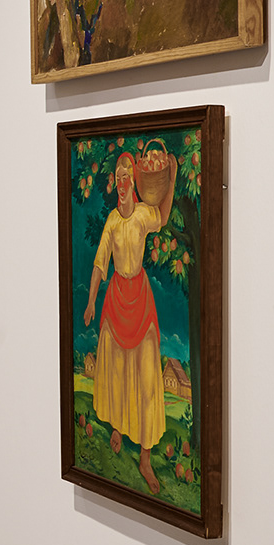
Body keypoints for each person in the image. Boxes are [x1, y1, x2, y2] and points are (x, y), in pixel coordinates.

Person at [82, 149, 175, 495]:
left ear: (134, 182)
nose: (122, 183)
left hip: (141, 300)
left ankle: (145, 459)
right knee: (117, 374)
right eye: (118, 178)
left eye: (127, 177)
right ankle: (118, 427)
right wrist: (91, 301)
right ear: (114, 183)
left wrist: (172, 179)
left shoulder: (142, 215)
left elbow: (163, 216)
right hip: (115, 300)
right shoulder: (111, 221)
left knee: (147, 378)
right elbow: (99, 263)